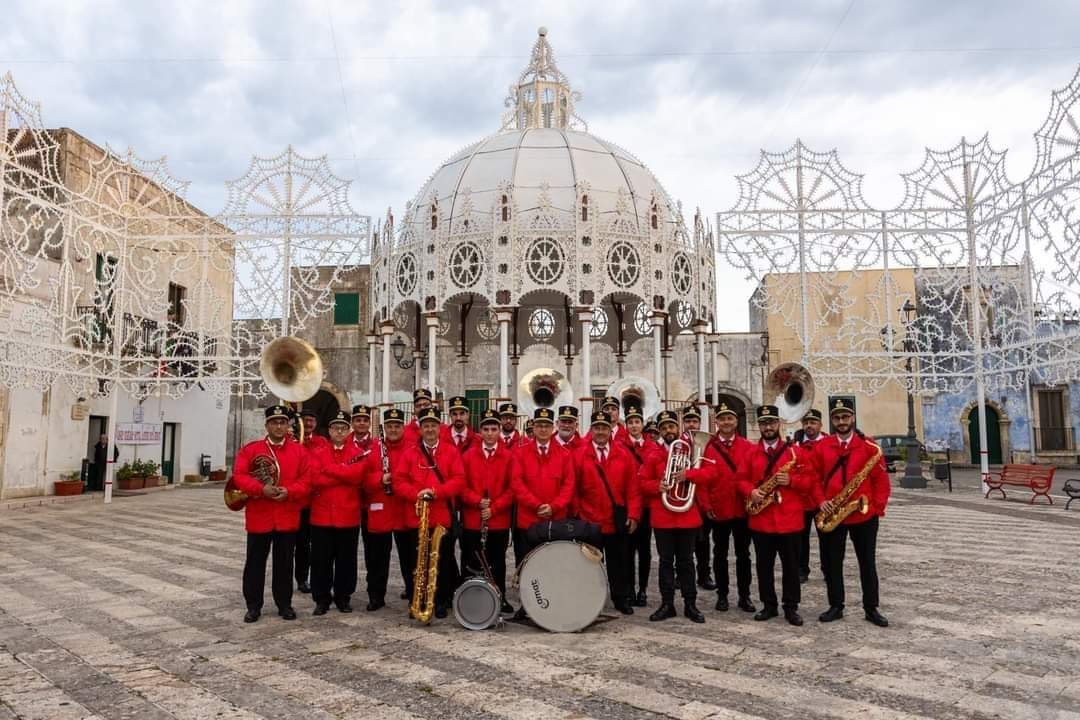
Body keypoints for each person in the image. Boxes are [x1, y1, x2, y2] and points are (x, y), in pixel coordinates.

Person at [812, 399, 891, 627]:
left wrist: (876, 508)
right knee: (832, 562)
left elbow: (881, 481)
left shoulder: (869, 447)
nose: (841, 422)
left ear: (852, 418)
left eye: (845, 417)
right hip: (833, 513)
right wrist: (821, 500)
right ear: (832, 420)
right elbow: (813, 478)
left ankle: (871, 607)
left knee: (867, 562)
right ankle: (836, 605)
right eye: (837, 418)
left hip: (863, 514)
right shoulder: (822, 446)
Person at [736, 405, 814, 626]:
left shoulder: (794, 453)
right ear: (759, 425)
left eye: (771, 422)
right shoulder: (750, 452)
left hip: (789, 520)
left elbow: (810, 482)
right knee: (764, 566)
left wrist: (792, 481)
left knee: (791, 567)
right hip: (762, 520)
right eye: (763, 423)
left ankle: (791, 607)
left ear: (778, 424)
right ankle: (768, 605)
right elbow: (739, 479)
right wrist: (751, 492)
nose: (767, 427)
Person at [233, 405, 311, 623]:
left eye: (283, 422)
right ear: (267, 425)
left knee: (284, 564)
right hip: (260, 516)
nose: (279, 426)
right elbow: (239, 476)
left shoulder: (299, 451)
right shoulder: (251, 449)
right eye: (274, 422)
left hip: (286, 516)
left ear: (288, 425)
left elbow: (307, 480)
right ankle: (253, 606)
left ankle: (284, 604)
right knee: (255, 563)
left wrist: (290, 491)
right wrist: (260, 489)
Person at [393, 407, 464, 620]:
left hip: (441, 517)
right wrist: (417, 493)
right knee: (418, 563)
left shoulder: (451, 452)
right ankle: (420, 599)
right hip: (417, 518)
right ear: (420, 429)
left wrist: (435, 492)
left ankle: (441, 601)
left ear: (439, 428)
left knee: (441, 562)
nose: (430, 429)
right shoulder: (409, 453)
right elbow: (398, 482)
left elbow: (459, 480)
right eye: (426, 426)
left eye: (433, 425)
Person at [640, 410, 710, 623]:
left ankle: (690, 604)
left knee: (687, 562)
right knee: (665, 562)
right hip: (663, 517)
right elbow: (642, 482)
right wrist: (656, 486)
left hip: (687, 515)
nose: (668, 431)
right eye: (664, 428)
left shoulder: (691, 451)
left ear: (677, 428)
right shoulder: (653, 455)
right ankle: (667, 603)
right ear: (659, 431)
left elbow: (710, 474)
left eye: (671, 426)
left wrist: (689, 474)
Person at [685, 403, 755, 613]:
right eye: (722, 419)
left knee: (744, 555)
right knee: (720, 554)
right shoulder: (708, 446)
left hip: (742, 509)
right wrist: (706, 506)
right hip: (719, 509)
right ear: (717, 422)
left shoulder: (748, 447)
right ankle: (722, 595)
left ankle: (745, 596)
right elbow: (702, 480)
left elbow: (753, 476)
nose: (726, 422)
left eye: (730, 418)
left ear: (736, 421)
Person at [509, 406, 575, 620]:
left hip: (554, 520)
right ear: (533, 427)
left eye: (547, 425)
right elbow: (517, 483)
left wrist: (554, 506)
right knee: (526, 563)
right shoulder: (520, 452)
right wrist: (536, 505)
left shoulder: (564, 455)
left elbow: (568, 485)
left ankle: (553, 603)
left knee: (553, 563)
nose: (543, 429)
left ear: (553, 427)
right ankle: (527, 605)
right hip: (528, 519)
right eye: (539, 425)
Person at [575, 411, 640, 614]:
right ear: (591, 430)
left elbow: (633, 488)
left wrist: (634, 515)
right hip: (590, 520)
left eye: (604, 427)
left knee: (618, 562)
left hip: (615, 519)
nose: (601, 432)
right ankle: (590, 599)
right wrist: (578, 515)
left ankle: (620, 598)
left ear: (610, 430)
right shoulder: (579, 454)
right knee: (589, 565)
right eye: (597, 427)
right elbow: (573, 488)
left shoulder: (623, 454)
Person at [309, 411, 364, 616]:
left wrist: (330, 470)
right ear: (330, 430)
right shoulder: (318, 453)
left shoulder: (357, 452)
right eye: (335, 428)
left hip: (348, 516)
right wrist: (342, 473)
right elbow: (314, 478)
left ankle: (343, 597)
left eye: (343, 428)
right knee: (321, 560)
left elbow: (357, 476)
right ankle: (321, 599)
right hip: (322, 516)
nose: (339, 432)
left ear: (348, 430)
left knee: (346, 560)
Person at [460, 409, 515, 614]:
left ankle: (499, 597)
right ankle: (472, 600)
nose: (490, 433)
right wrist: (477, 501)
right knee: (472, 562)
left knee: (497, 562)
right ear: (480, 431)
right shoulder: (468, 456)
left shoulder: (508, 457)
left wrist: (494, 507)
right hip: (473, 520)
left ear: (499, 431)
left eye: (494, 429)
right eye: (486, 429)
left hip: (498, 519)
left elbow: (512, 488)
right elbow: (461, 486)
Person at [358, 408, 408, 611]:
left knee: (409, 558)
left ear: (402, 427)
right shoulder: (373, 450)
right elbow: (363, 481)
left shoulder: (413, 449)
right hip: (380, 510)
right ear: (384, 428)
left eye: (397, 426)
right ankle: (376, 596)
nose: (393, 429)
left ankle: (413, 592)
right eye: (390, 426)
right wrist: (380, 479)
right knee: (377, 559)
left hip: (404, 510)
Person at [617, 405, 656, 607]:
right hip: (628, 504)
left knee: (645, 550)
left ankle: (643, 589)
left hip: (647, 505)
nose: (634, 426)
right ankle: (629, 588)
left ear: (642, 424)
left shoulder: (653, 446)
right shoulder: (619, 446)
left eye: (637, 422)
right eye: (630, 422)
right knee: (628, 550)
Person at [681, 406, 716, 593]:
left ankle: (704, 574)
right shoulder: (678, 444)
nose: (691, 424)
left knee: (703, 541)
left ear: (699, 423)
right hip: (682, 500)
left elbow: (710, 473)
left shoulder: (707, 444)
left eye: (694, 421)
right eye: (688, 421)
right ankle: (682, 575)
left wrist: (690, 473)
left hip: (700, 500)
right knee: (684, 542)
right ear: (683, 423)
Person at [295, 409, 329, 594]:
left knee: (308, 544)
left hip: (313, 502)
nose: (308, 424)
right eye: (305, 421)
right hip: (294, 501)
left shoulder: (322, 442)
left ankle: (303, 578)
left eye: (311, 421)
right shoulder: (292, 441)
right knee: (294, 543)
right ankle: (296, 576)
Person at [795, 409, 828, 583]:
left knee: (826, 537)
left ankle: (827, 568)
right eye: (806, 422)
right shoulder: (796, 444)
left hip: (823, 499)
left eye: (813, 422)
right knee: (801, 538)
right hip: (802, 499)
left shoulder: (829, 443)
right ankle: (802, 569)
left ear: (820, 425)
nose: (809, 426)